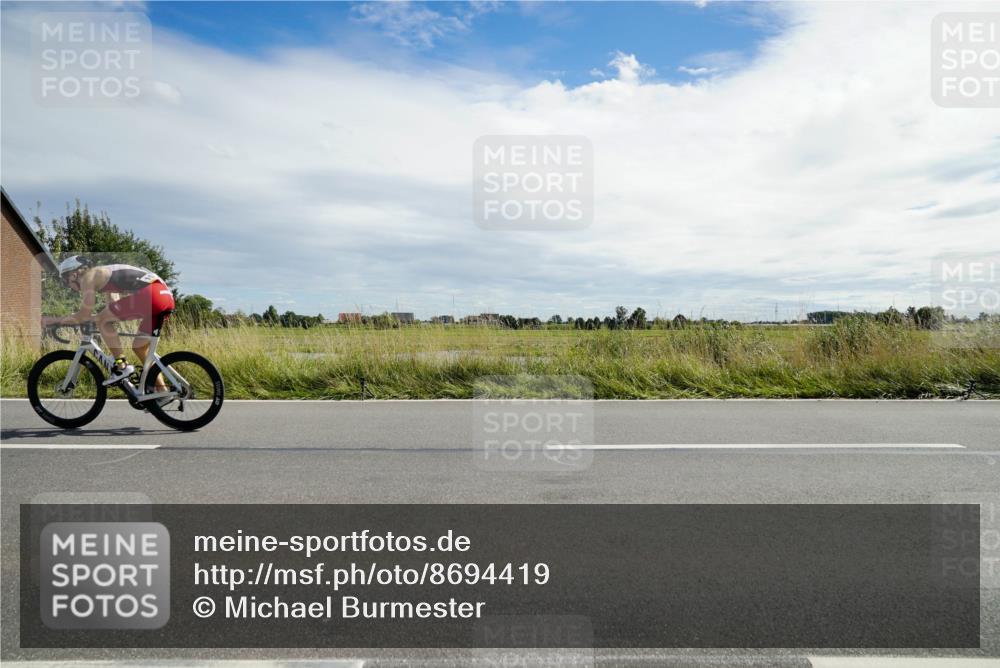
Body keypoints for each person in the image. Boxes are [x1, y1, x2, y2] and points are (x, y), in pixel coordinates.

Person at [43, 256, 175, 387]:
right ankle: (162, 391)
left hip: (152, 295)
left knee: (102, 320)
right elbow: (113, 308)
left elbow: (84, 315)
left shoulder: (87, 278)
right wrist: (94, 319)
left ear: (73, 275)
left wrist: (53, 320)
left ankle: (121, 366)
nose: (69, 286)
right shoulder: (105, 276)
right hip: (164, 296)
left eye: (66, 281)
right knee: (139, 347)